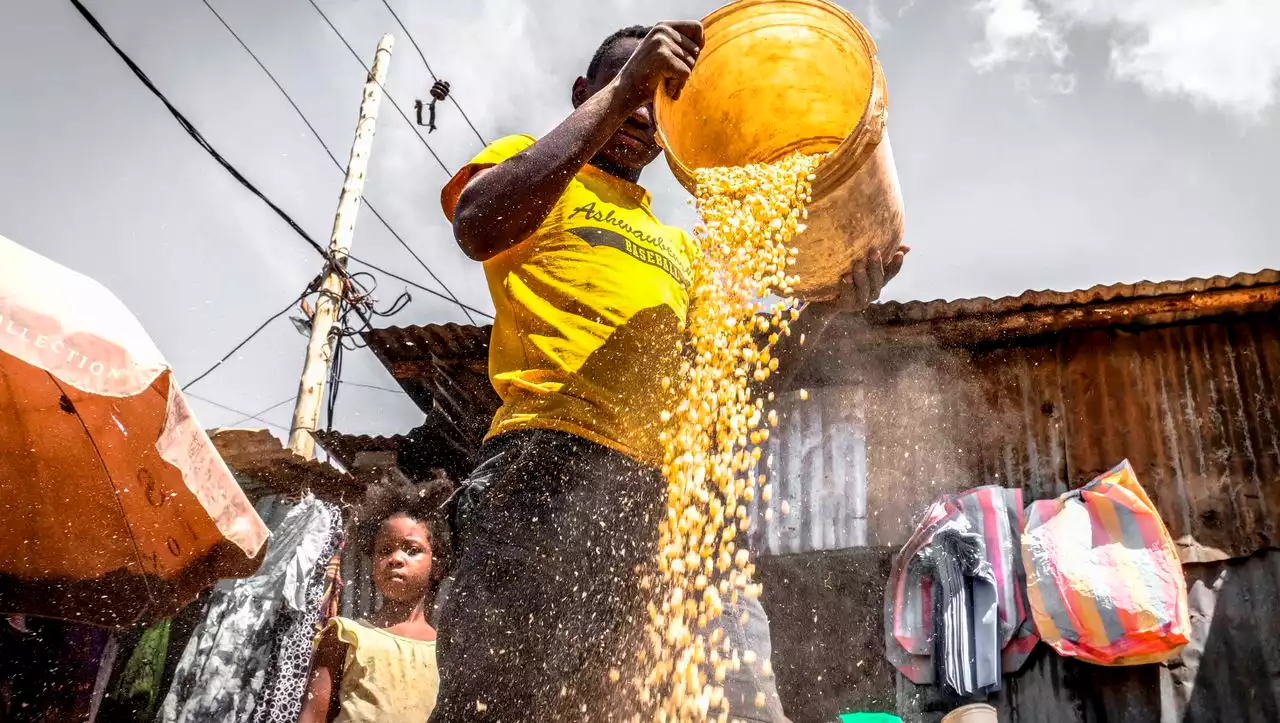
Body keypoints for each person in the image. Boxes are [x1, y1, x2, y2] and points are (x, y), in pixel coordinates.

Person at [433, 22, 908, 722]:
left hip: (676, 507)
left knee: (722, 702)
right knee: (503, 700)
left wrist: (833, 307)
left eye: (663, 102)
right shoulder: (535, 168)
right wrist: (624, 89)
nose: (645, 115)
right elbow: (478, 223)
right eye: (634, 91)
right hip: (547, 471)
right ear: (583, 93)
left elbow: (740, 380)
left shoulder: (680, 248)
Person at [298, 474, 454, 723]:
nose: (395, 558)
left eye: (412, 550)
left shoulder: (447, 652)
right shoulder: (345, 635)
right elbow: (312, 718)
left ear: (436, 566)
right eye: (384, 550)